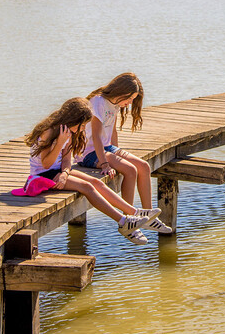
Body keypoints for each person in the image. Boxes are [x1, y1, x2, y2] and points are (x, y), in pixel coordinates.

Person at [22, 97, 160, 245]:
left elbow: (67, 161)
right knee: (87, 187)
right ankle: (123, 221)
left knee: (96, 182)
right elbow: (46, 163)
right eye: (83, 125)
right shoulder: (49, 132)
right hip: (42, 175)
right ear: (74, 119)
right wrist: (60, 143)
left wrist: (65, 173)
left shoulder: (69, 132)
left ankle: (134, 213)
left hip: (58, 171)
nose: (83, 129)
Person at [76, 73, 171, 234]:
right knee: (130, 170)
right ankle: (130, 221)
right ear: (121, 92)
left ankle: (148, 217)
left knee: (143, 166)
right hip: (89, 153)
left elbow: (112, 131)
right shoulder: (98, 102)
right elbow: (97, 137)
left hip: (106, 148)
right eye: (130, 98)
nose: (130, 102)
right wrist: (106, 163)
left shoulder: (115, 104)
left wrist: (117, 155)